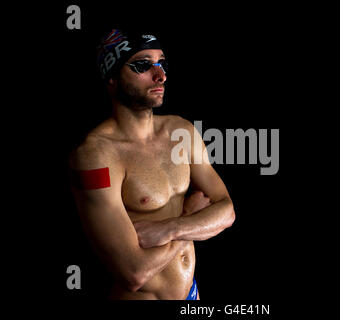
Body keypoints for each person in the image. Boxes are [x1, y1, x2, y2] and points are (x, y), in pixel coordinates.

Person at [69, 29, 235, 300]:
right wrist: (189, 220)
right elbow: (133, 273)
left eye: (162, 63)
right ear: (111, 77)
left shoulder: (181, 131)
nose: (160, 75)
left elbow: (227, 212)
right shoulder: (93, 158)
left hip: (191, 296)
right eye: (143, 65)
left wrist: (172, 227)